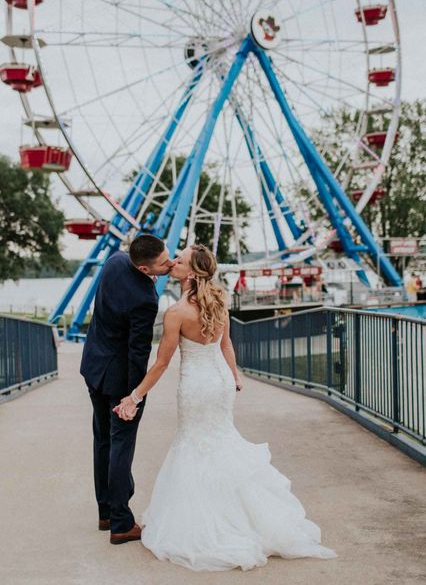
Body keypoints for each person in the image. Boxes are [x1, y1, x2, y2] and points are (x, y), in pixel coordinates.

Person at [114, 244, 338, 571]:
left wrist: (134, 397)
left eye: (181, 260)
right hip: (219, 383)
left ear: (191, 273)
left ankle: (211, 523)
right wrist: (234, 375)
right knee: (220, 442)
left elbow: (161, 364)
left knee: (194, 445)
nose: (173, 262)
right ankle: (248, 515)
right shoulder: (219, 301)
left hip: (196, 386)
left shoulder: (176, 312)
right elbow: (226, 344)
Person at [80, 234, 174, 544]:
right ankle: (121, 522)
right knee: (121, 446)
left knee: (103, 441)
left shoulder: (115, 261)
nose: (170, 263)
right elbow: (138, 351)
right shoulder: (146, 299)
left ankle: (105, 511)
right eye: (163, 263)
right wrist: (135, 395)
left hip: (94, 368)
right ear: (146, 270)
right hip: (120, 381)